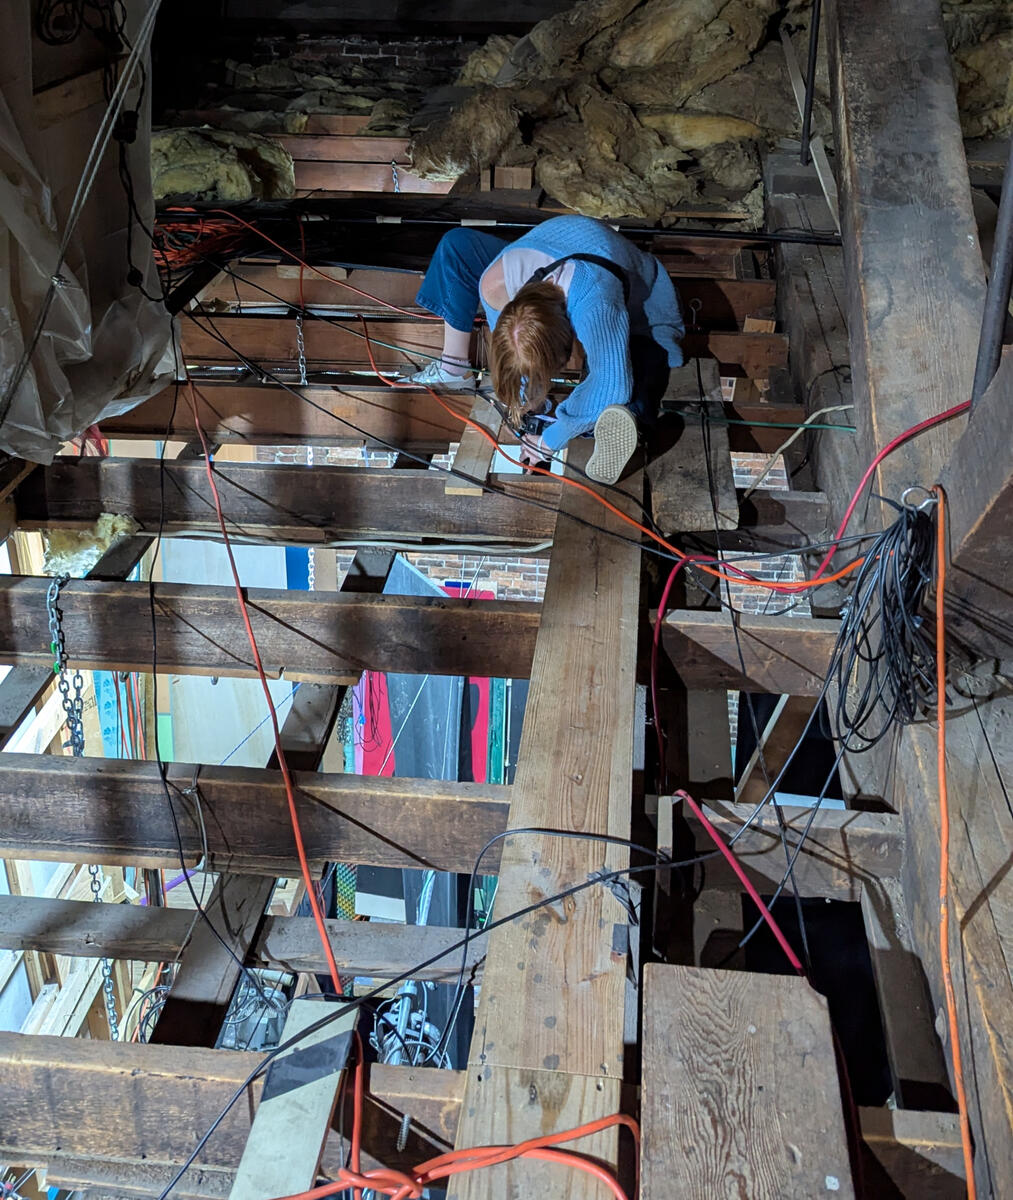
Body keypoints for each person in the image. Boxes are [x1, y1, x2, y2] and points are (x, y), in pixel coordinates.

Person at [405, 215, 684, 484]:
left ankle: (632, 429)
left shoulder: (594, 302)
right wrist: (525, 397)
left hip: (642, 303)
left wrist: (548, 442)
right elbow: (516, 350)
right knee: (459, 244)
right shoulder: (495, 285)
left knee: (632, 376)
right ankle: (599, 418)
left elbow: (612, 384)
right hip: (577, 256)